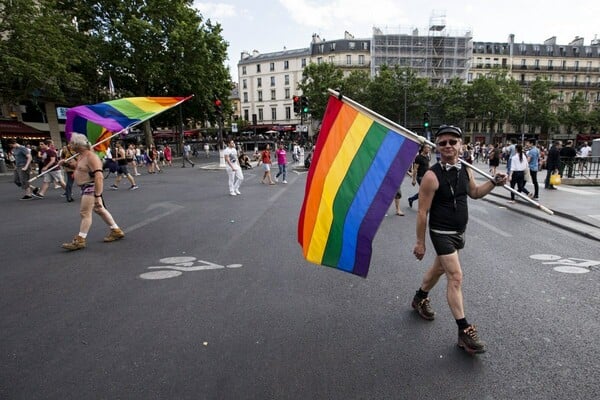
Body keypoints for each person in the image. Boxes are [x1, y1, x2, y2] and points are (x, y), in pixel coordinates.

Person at [412, 125, 507, 355]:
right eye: (442, 143)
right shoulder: (431, 176)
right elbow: (422, 212)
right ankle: (464, 331)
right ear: (437, 147)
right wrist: (420, 242)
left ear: (460, 145)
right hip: (441, 232)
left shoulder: (466, 169)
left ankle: (419, 298)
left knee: (438, 270)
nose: (448, 146)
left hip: (459, 232)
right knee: (455, 276)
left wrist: (494, 183)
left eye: (452, 142)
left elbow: (474, 192)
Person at [61, 133, 124, 251]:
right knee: (99, 209)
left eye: (71, 143)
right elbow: (78, 167)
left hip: (91, 187)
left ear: (77, 145)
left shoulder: (91, 157)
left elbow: (99, 176)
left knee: (85, 213)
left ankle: (80, 240)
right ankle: (116, 230)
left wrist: (98, 194)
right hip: (86, 187)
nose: (69, 145)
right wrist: (66, 163)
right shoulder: (81, 156)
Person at [407, 144, 431, 209]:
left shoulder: (427, 157)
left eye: (429, 147)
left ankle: (411, 199)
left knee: (425, 191)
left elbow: (428, 167)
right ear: (423, 148)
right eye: (427, 147)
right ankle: (423, 206)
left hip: (426, 177)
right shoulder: (418, 157)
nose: (429, 148)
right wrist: (414, 180)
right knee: (426, 192)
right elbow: (415, 169)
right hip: (420, 177)